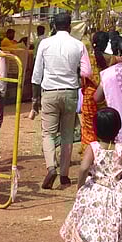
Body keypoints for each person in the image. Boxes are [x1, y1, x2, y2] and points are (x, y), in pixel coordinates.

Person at [32, 12, 92, 190]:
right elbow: (86, 72)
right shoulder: (78, 44)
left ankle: (51, 167)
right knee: (67, 134)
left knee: (48, 134)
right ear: (70, 26)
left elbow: (37, 74)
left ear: (54, 26)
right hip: (70, 92)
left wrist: (35, 98)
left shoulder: (45, 43)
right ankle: (64, 174)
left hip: (49, 92)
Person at [61, 107, 122, 242]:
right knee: (115, 226)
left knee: (90, 224)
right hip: (118, 195)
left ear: (95, 128)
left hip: (96, 192)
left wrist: (80, 187)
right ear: (118, 127)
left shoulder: (93, 147)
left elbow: (83, 168)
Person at [80, 31, 111, 155]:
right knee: (104, 127)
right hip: (105, 96)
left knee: (88, 128)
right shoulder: (112, 59)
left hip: (89, 98)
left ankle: (89, 156)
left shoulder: (88, 59)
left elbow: (83, 78)